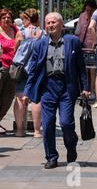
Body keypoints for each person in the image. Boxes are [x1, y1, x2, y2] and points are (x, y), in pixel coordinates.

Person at [22, 12, 89, 169]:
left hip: (67, 87)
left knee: (66, 123)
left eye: (53, 22)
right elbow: (33, 70)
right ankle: (51, 157)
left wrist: (85, 87)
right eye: (48, 23)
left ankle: (71, 147)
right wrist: (27, 92)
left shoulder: (72, 42)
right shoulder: (39, 44)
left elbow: (81, 67)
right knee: (48, 123)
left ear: (61, 24)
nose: (50, 25)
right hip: (48, 87)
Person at [14, 9, 44, 137]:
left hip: (22, 69)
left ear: (26, 19)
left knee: (20, 98)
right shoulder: (41, 33)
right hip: (36, 68)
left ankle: (20, 130)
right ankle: (37, 131)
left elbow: (16, 50)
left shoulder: (20, 33)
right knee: (36, 99)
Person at [0, 9, 21, 135]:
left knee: (8, 98)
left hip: (13, 69)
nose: (6, 20)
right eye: (3, 18)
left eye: (8, 17)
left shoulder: (16, 30)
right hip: (1, 67)